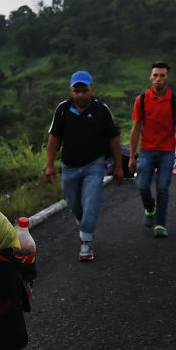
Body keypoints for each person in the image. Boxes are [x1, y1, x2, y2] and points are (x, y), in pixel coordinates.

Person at [45, 70, 123, 261]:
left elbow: (113, 139)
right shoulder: (63, 109)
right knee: (73, 205)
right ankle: (83, 223)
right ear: (71, 91)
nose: (80, 95)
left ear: (92, 90)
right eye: (76, 91)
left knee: (91, 203)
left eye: (84, 90)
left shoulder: (101, 110)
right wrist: (50, 165)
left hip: (94, 165)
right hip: (69, 167)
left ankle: (86, 243)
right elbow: (54, 138)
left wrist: (119, 166)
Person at [129, 61, 176, 238]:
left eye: (162, 76)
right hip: (147, 151)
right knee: (142, 185)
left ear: (167, 78)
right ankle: (150, 209)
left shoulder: (175, 101)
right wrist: (131, 156)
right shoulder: (141, 100)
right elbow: (136, 128)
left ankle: (160, 224)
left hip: (167, 152)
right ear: (150, 77)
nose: (158, 79)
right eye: (155, 75)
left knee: (162, 187)